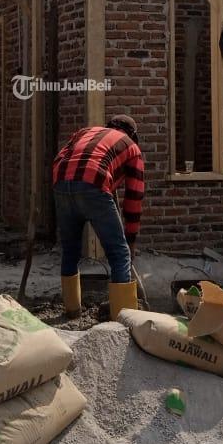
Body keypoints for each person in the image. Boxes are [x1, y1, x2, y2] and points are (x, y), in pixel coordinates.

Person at [52, 114, 145, 319]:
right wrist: (130, 241)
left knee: (70, 250)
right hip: (93, 184)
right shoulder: (131, 147)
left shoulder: (85, 132)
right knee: (119, 253)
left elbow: (64, 156)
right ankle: (122, 317)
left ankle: (72, 310)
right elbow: (134, 199)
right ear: (132, 135)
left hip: (60, 181)